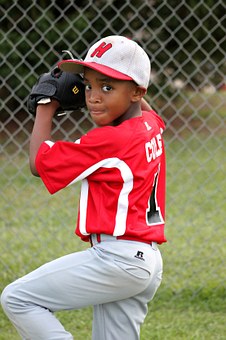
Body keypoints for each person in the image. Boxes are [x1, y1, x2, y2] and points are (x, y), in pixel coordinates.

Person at [1, 35, 167, 340]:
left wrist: (45, 105)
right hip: (145, 261)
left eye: (107, 87)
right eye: (89, 84)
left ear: (136, 92)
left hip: (117, 259)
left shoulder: (108, 140)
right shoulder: (150, 125)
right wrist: (108, 80)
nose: (93, 96)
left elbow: (39, 164)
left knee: (18, 298)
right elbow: (147, 109)